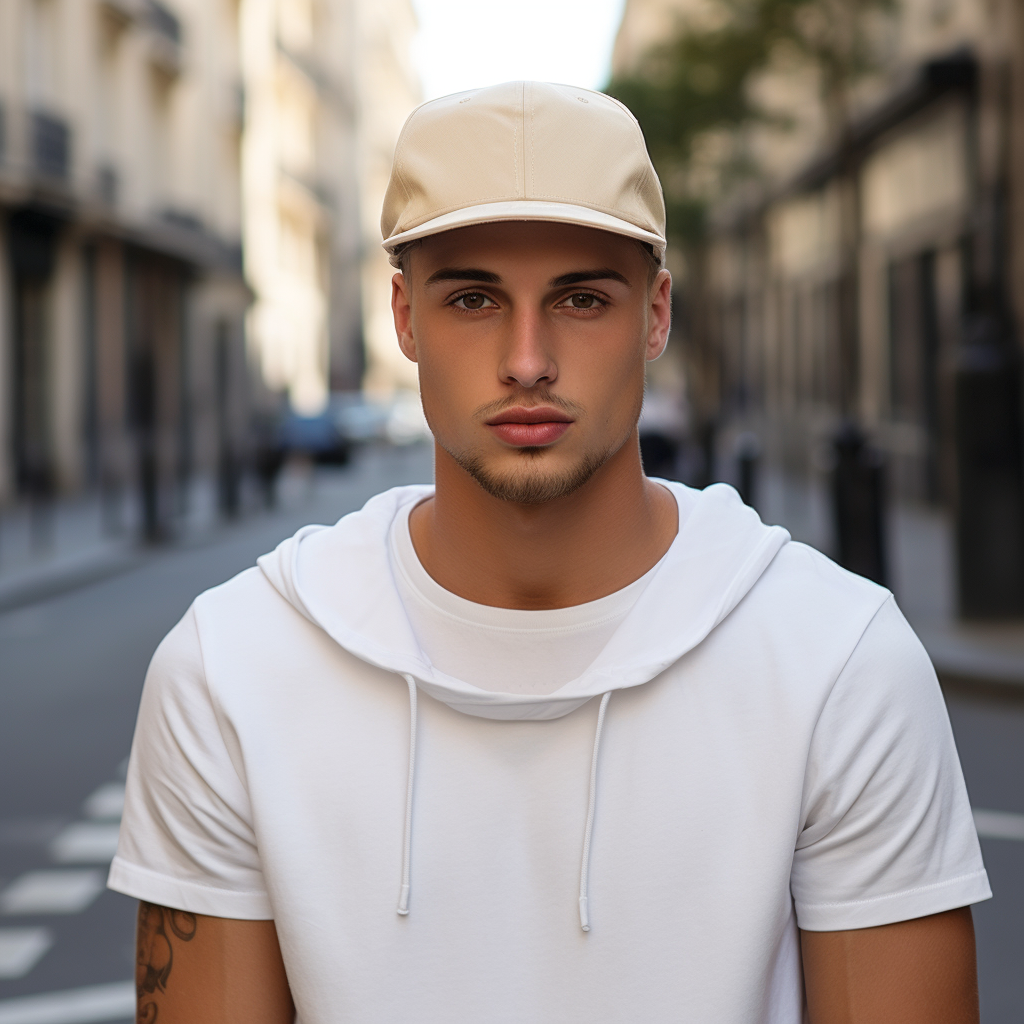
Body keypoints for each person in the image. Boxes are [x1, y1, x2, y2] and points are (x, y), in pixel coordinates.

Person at [109, 81, 990, 1023]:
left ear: (655, 316)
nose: (527, 359)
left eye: (579, 297)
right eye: (476, 297)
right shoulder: (231, 670)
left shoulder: (838, 664)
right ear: (404, 318)